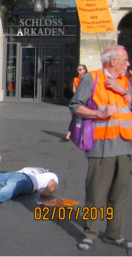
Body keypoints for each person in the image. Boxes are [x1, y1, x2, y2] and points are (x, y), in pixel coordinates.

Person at [69, 45, 132, 251]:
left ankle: (114, 235)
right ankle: (90, 234)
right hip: (101, 146)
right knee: (96, 193)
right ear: (112, 61)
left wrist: (122, 91)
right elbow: (75, 106)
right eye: (125, 60)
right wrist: (100, 114)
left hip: (124, 146)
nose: (128, 64)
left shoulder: (125, 81)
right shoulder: (92, 78)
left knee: (119, 194)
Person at [61, 64, 88, 142]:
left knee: (84, 119)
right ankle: (68, 136)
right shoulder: (76, 79)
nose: (79, 71)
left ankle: (80, 136)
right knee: (74, 117)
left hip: (85, 100)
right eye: (78, 70)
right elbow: (74, 91)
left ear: (85, 70)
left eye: (80, 69)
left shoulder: (88, 78)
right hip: (77, 100)